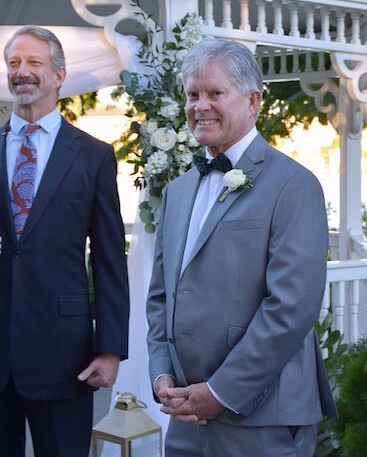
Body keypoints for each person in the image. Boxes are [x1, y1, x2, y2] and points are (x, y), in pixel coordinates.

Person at [146, 38, 337, 457]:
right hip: (184, 417)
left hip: (260, 416)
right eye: (192, 94)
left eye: (215, 93)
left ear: (252, 101)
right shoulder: (178, 192)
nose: (200, 105)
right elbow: (161, 297)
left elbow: (291, 307)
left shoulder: (294, 185)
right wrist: (162, 377)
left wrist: (220, 392)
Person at [0, 26, 129, 457]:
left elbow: (110, 258)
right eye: (14, 63)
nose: (22, 72)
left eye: (34, 62)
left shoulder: (93, 156)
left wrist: (110, 349)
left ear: (59, 75)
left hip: (64, 355)